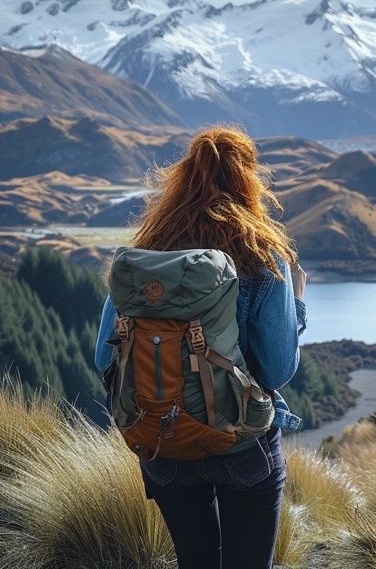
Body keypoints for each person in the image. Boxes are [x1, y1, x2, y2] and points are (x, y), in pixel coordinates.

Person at [94, 125, 307, 569]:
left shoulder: (143, 255)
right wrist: (298, 305)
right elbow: (275, 370)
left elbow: (104, 359)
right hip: (241, 445)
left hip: (160, 441)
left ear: (181, 179)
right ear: (250, 182)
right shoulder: (263, 255)